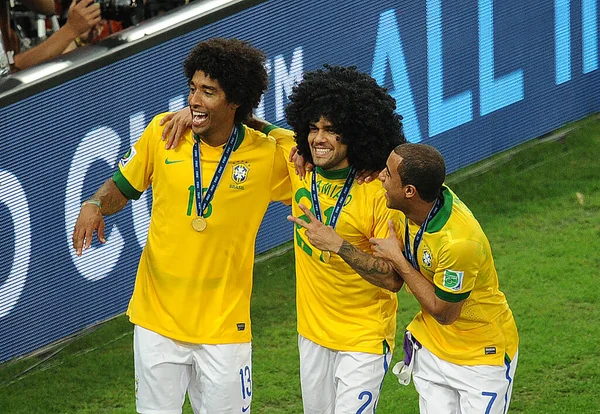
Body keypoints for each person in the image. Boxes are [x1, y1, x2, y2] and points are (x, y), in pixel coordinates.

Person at [71, 37, 291, 413]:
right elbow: (123, 186)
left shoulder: (266, 155)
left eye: (209, 92)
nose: (194, 100)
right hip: (157, 321)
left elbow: (309, 149)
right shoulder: (164, 133)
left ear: (235, 100)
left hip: (224, 328)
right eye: (192, 89)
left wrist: (253, 121)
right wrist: (94, 203)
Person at [279, 65, 406, 413]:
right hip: (313, 335)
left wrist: (339, 245)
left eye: (332, 131)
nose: (319, 139)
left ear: (357, 134)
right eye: (313, 128)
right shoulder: (296, 163)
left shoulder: (377, 192)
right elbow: (243, 125)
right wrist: (189, 113)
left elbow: (394, 278)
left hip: (364, 338)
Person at [367, 143, 519, 413]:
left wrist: (398, 260)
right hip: (434, 349)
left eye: (387, 174)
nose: (381, 177)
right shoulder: (421, 201)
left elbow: (444, 312)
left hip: (481, 358)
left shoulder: (459, 242)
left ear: (409, 191)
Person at [0, 0, 101, 71]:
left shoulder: (11, 39)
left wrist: (77, 39)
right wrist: (71, 30)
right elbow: (10, 71)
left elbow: (48, 7)